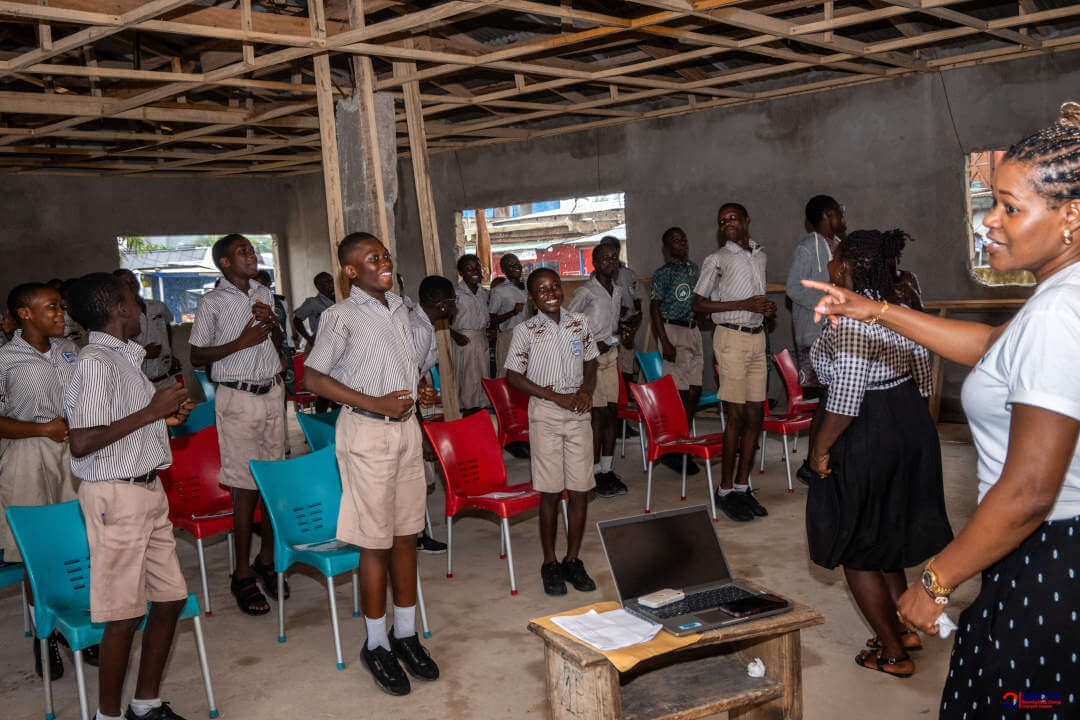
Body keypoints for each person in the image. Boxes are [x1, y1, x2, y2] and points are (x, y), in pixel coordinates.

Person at [803, 102, 1080, 716]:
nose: (991, 222)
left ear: (1071, 216)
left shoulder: (1062, 310)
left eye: (1011, 206)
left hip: (1053, 556)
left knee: (1026, 701)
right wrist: (872, 310)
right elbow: (990, 347)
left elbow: (1031, 489)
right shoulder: (1061, 294)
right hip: (1047, 549)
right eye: (994, 203)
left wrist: (935, 581)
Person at [805, 230, 952, 679]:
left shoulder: (851, 318)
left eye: (834, 258)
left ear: (846, 267)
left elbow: (846, 395)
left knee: (857, 544)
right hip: (908, 415)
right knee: (886, 532)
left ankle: (893, 653)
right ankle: (903, 627)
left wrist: (820, 450)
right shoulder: (898, 308)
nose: (829, 265)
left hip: (864, 425)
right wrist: (910, 421)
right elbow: (925, 374)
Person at [303, 232, 439, 697]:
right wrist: (375, 402)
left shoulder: (400, 307)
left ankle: (406, 633)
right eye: (370, 258)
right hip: (365, 432)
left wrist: (415, 390)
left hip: (405, 431)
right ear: (350, 271)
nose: (382, 263)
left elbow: (405, 366)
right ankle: (376, 642)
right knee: (374, 543)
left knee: (406, 535)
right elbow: (313, 377)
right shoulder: (340, 317)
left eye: (384, 255)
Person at [63, 272, 195, 720]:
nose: (141, 308)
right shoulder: (94, 362)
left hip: (147, 490)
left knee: (171, 597)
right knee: (122, 615)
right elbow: (81, 442)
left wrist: (164, 419)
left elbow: (120, 425)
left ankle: (145, 703)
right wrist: (151, 411)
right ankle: (108, 715)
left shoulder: (123, 359)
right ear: (119, 310)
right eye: (134, 301)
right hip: (116, 498)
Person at [189, 234, 286, 617]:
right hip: (238, 397)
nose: (252, 254)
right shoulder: (211, 302)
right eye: (242, 251)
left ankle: (267, 560)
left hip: (272, 393)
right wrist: (242, 341)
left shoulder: (264, 292)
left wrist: (273, 325)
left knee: (272, 482)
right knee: (244, 490)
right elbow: (197, 355)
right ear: (225, 263)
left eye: (252, 249)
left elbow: (281, 342)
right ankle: (241, 573)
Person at [0, 282, 83, 680]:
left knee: (78, 541)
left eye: (61, 307)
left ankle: (79, 620)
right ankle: (43, 634)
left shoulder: (69, 350)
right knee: (38, 552)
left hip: (73, 452)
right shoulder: (6, 359)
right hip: (28, 455)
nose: (60, 313)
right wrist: (40, 429)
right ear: (24, 313)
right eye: (51, 307)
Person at [506, 268, 599, 597]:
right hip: (546, 412)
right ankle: (549, 563)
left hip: (577, 411)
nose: (550, 293)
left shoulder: (579, 323)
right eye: (542, 290)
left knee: (579, 489)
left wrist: (587, 391)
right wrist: (553, 396)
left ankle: (572, 559)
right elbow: (513, 376)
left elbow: (591, 361)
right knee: (549, 491)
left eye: (555, 287)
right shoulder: (526, 331)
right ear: (531, 298)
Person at [691, 203, 773, 522]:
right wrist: (743, 304)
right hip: (730, 338)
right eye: (722, 220)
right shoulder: (717, 259)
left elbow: (756, 296)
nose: (727, 223)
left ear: (746, 221)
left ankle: (742, 485)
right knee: (736, 415)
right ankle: (724, 490)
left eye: (733, 218)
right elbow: (698, 305)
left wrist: (763, 309)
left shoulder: (760, 254)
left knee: (756, 413)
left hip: (756, 335)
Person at [568, 243, 627, 498]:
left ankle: (606, 469)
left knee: (612, 412)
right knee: (597, 416)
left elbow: (613, 323)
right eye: (604, 258)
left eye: (614, 258)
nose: (610, 262)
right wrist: (589, 344)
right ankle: (592, 472)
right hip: (590, 360)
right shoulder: (586, 292)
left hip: (611, 356)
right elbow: (568, 324)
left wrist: (622, 331)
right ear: (594, 262)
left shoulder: (618, 290)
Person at [408, 275, 457, 555]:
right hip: (404, 409)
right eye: (453, 302)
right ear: (442, 305)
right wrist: (421, 433)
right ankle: (413, 534)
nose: (455, 307)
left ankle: (417, 531)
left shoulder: (425, 324)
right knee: (417, 476)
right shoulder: (419, 331)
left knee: (421, 478)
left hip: (413, 403)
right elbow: (405, 385)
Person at [650, 227, 703, 474]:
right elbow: (655, 308)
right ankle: (675, 449)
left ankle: (683, 442)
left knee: (695, 390)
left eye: (683, 239)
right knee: (680, 394)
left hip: (693, 331)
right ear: (666, 248)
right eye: (675, 241)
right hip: (672, 330)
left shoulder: (694, 269)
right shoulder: (663, 274)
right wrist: (665, 341)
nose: (681, 244)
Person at [785, 195, 847, 390]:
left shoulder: (839, 245)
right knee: (820, 393)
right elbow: (793, 287)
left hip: (837, 334)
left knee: (836, 393)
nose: (843, 217)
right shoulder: (808, 247)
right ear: (828, 215)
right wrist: (828, 302)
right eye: (840, 212)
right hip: (814, 336)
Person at [113, 270, 177, 389]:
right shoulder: (116, 315)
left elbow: (167, 326)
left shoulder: (158, 306)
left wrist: (170, 352)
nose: (131, 285)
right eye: (124, 283)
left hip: (166, 376)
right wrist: (143, 353)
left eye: (133, 280)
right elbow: (115, 350)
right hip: (140, 383)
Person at [598, 236, 643, 389]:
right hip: (608, 330)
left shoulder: (628, 275)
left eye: (612, 251)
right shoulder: (596, 278)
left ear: (617, 251)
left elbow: (637, 302)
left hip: (627, 327)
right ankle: (615, 397)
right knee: (610, 365)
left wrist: (633, 326)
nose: (609, 257)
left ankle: (627, 394)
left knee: (627, 364)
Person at [450, 254, 490, 415]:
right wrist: (455, 335)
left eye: (477, 267)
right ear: (461, 272)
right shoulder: (456, 294)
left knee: (482, 378)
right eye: (469, 269)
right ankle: (469, 413)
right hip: (464, 340)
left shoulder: (483, 293)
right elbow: (443, 319)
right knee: (467, 380)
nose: (475, 271)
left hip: (480, 339)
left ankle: (481, 410)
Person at [488, 253, 528, 378]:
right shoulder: (499, 291)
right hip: (509, 337)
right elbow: (491, 320)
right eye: (510, 265)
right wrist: (512, 313)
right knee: (508, 375)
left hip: (529, 336)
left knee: (529, 375)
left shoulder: (529, 285)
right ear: (503, 270)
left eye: (517, 263)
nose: (516, 267)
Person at [880, 232, 924, 311]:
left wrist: (913, 294)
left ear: (898, 258)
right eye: (884, 258)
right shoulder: (876, 281)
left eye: (891, 257)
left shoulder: (909, 277)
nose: (887, 262)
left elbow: (920, 311)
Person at [291, 271, 335, 351]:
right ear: (319, 286)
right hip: (322, 345)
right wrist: (309, 339)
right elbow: (296, 320)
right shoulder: (313, 303)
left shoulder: (339, 298)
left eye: (331, 280)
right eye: (327, 281)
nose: (331, 283)